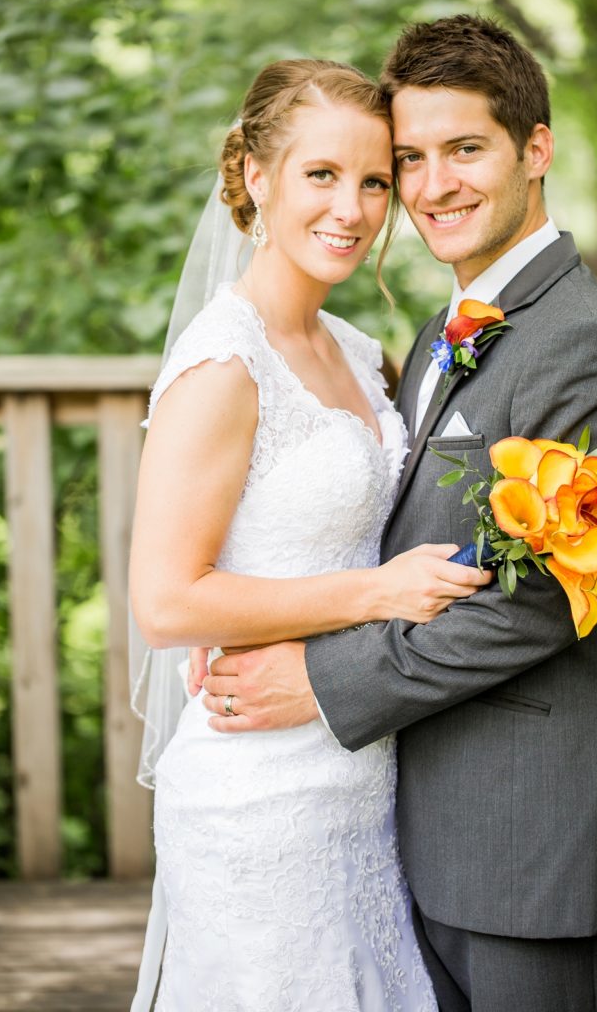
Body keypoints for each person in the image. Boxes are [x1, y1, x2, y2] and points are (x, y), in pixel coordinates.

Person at [201, 16, 597, 1012]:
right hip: (414, 823)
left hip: (533, 842)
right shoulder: (436, 334)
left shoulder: (590, 344)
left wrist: (317, 679)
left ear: (535, 149)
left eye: (466, 150)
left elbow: (540, 602)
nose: (432, 185)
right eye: (409, 159)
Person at [128, 57, 491, 1011]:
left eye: (375, 181)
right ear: (255, 176)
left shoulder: (363, 355)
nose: (354, 208)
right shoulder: (222, 362)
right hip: (256, 796)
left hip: (364, 774)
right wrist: (376, 594)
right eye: (321, 175)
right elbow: (167, 600)